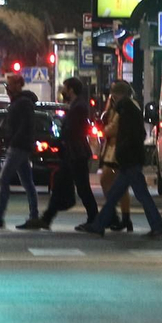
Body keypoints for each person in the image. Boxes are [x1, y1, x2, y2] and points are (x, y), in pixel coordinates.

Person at [78, 81, 162, 237]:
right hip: (130, 159)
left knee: (139, 195)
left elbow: (127, 134)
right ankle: (99, 225)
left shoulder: (126, 110)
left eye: (112, 94)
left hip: (129, 159)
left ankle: (158, 226)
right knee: (115, 195)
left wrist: (123, 150)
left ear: (116, 95)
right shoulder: (129, 108)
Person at [0, 72, 40, 229]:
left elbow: (26, 125)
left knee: (3, 179)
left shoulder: (23, 102)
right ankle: (34, 216)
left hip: (19, 146)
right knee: (27, 182)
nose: (7, 88)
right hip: (19, 145)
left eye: (9, 84)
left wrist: (14, 140)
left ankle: (0, 217)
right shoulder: (18, 102)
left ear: (18, 85)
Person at [37, 77, 98, 230]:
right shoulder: (76, 105)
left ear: (71, 89)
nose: (63, 91)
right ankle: (47, 217)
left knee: (82, 188)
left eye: (64, 88)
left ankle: (96, 219)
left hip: (76, 152)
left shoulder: (79, 106)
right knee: (61, 185)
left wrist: (60, 140)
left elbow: (73, 130)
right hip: (72, 152)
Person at [96, 90, 132, 232]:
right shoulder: (113, 109)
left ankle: (116, 215)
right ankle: (122, 217)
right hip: (112, 151)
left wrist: (103, 130)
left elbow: (113, 128)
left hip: (117, 152)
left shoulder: (122, 109)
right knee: (117, 185)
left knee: (109, 181)